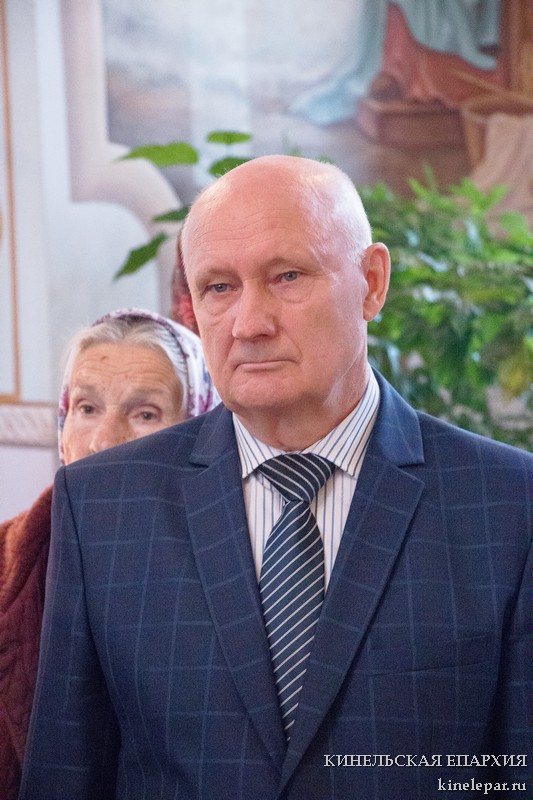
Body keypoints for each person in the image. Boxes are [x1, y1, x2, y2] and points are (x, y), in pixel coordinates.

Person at [20, 157, 532, 800]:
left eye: (287, 276)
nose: (250, 323)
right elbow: (66, 772)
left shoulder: (509, 503)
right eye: (219, 287)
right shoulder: (102, 505)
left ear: (372, 283)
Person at [0, 308, 218, 800]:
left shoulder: (234, 573)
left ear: (196, 431)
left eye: (145, 414)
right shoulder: (7, 558)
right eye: (87, 408)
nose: (102, 442)